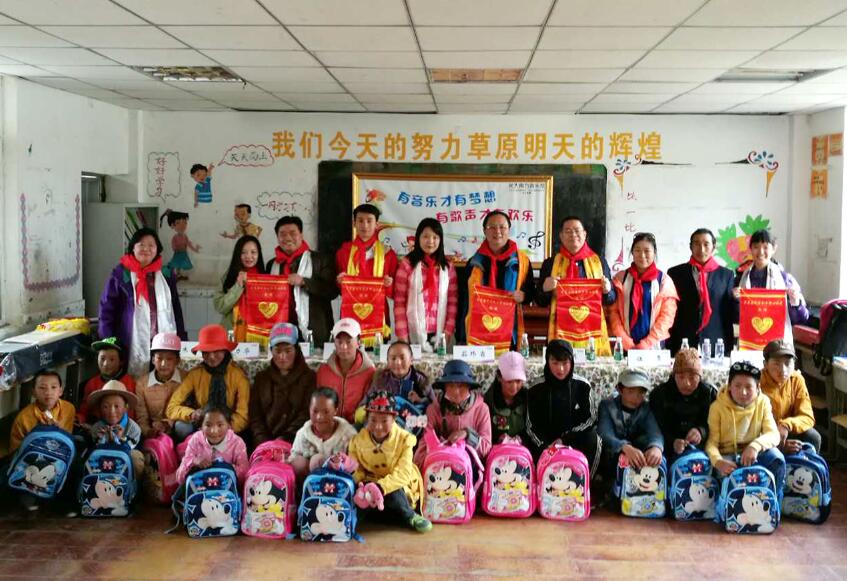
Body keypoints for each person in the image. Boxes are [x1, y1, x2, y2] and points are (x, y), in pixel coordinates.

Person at [98, 227, 187, 376]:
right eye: (141, 245)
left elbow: (175, 309)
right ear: (133, 247)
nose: (146, 249)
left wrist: (182, 337)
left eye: (151, 245)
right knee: (133, 382)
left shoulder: (165, 274)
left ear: (157, 249)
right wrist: (108, 342)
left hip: (162, 342)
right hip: (129, 342)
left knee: (162, 381)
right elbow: (107, 310)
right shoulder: (121, 274)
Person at [348, 390, 432, 533]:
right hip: (370, 487)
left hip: (397, 488)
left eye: (384, 421)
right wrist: (359, 484)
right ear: (367, 418)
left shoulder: (405, 439)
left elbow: (403, 473)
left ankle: (410, 516)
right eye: (373, 420)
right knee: (357, 492)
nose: (378, 426)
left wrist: (381, 487)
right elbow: (357, 469)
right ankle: (350, 521)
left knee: (394, 492)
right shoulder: (356, 441)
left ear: (393, 419)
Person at [537, 216, 616, 356]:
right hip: (560, 331)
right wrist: (545, 289)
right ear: (561, 236)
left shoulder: (599, 262)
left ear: (584, 234)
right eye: (567, 231)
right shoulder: (550, 264)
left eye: (577, 230)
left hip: (592, 332)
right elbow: (540, 301)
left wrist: (607, 290)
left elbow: (611, 299)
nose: (573, 234)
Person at [6, 370, 79, 513]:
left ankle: (62, 500)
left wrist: (56, 432)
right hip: (32, 462)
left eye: (53, 387)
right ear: (33, 392)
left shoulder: (68, 409)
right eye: (42, 388)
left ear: (61, 391)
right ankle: (29, 494)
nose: (48, 392)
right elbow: (15, 452)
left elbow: (66, 442)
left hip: (58, 458)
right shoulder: (24, 417)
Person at [526, 340, 602, 475]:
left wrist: (565, 439)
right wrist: (546, 447)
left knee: (594, 439)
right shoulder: (536, 388)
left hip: (573, 438)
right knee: (527, 442)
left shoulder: (582, 386)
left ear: (572, 362)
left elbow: (590, 419)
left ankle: (585, 481)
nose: (560, 369)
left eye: (565, 363)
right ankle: (542, 481)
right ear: (547, 361)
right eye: (555, 363)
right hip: (545, 442)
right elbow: (530, 425)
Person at [705, 361, 785, 487]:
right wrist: (718, 461)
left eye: (749, 387)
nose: (743, 392)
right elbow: (711, 443)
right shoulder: (717, 407)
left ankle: (774, 497)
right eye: (737, 386)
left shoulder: (763, 402)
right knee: (728, 478)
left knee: (776, 458)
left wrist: (755, 446)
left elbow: (773, 434)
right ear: (729, 386)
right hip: (727, 455)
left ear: (758, 388)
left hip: (753, 453)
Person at [465, 210, 535, 352]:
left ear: (509, 230)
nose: (497, 231)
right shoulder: (474, 263)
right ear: (484, 231)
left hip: (510, 333)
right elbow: (464, 301)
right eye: (492, 227)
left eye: (502, 227)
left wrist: (524, 296)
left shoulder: (522, 262)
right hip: (480, 332)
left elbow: (531, 291)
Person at [166, 324, 250, 441]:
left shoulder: (238, 376)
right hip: (201, 425)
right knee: (181, 427)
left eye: (216, 351)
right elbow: (171, 408)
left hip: (229, 427)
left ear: (225, 350)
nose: (211, 357)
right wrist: (192, 414)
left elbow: (243, 416)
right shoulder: (195, 374)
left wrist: (223, 429)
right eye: (206, 352)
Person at [266, 216, 338, 345]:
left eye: (292, 233)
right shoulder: (272, 264)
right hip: (281, 329)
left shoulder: (321, 259)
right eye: (282, 234)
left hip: (314, 330)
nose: (288, 238)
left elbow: (332, 291)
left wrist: (304, 282)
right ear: (277, 237)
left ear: (301, 235)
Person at [335, 203, 398, 346]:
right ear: (354, 223)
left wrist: (389, 284)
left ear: (377, 224)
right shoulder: (344, 252)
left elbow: (395, 292)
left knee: (378, 358)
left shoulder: (388, 254)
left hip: (379, 318)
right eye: (360, 220)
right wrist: (339, 282)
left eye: (369, 221)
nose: (365, 225)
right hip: (349, 316)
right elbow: (337, 290)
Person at [734, 229, 810, 344]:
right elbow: (737, 317)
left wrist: (795, 303)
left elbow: (801, 318)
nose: (760, 252)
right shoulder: (741, 278)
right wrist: (736, 300)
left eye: (765, 247)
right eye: (756, 247)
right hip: (750, 341)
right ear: (750, 249)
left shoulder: (785, 279)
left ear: (774, 249)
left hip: (778, 344)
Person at [668, 228, 736, 355]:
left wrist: (737, 300)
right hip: (683, 341)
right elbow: (670, 310)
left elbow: (729, 313)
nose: (701, 249)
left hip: (716, 342)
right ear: (691, 247)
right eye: (697, 244)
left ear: (713, 246)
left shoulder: (726, 275)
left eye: (706, 244)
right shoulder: (675, 273)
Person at [393, 218, 458, 351]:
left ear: (440, 240)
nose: (430, 241)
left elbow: (452, 302)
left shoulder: (447, 267)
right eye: (426, 236)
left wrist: (448, 331)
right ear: (418, 238)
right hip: (412, 333)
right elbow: (399, 302)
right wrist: (402, 335)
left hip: (440, 334)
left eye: (435, 237)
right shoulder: (407, 265)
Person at [608, 232, 679, 350]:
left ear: (654, 253)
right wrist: (624, 340)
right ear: (632, 252)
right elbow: (613, 311)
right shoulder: (620, 278)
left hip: (654, 346)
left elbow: (667, 316)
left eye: (647, 251)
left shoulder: (664, 281)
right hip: (624, 346)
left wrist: (648, 342)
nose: (642, 255)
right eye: (637, 250)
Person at [414, 360, 492, 465]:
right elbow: (424, 444)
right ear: (444, 387)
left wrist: (468, 435)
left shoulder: (482, 409)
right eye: (451, 385)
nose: (456, 391)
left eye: (461, 386)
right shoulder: (433, 409)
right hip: (440, 466)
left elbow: (486, 448)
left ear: (469, 386)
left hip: (471, 468)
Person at [250, 323, 316, 446]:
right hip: (263, 443)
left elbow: (306, 414)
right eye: (277, 351)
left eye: (288, 350)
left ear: (296, 350)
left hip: (296, 442)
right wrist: (263, 442)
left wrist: (285, 439)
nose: (282, 356)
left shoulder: (309, 377)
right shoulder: (262, 378)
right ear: (271, 351)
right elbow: (255, 416)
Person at [649, 349, 717, 459]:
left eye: (692, 378)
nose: (687, 383)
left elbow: (717, 424)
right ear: (674, 375)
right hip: (666, 450)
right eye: (681, 377)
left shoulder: (709, 394)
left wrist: (701, 431)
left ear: (699, 377)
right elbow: (653, 428)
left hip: (701, 451)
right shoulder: (659, 395)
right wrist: (672, 442)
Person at [598, 369, 664, 483]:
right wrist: (624, 447)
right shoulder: (607, 406)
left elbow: (654, 432)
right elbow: (604, 433)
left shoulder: (646, 408)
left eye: (641, 392)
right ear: (620, 389)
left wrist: (656, 447)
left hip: (638, 459)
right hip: (613, 456)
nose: (636, 396)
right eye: (631, 391)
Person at [760, 340, 821, 453]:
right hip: (763, 435)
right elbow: (750, 424)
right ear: (765, 364)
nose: (783, 370)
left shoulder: (796, 380)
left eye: (788, 363)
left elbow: (807, 417)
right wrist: (776, 442)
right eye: (776, 364)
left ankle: (808, 463)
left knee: (813, 437)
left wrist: (786, 425)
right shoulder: (756, 382)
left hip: (787, 431)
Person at [289, 388, 358, 482]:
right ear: (309, 409)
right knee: (298, 462)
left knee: (317, 460)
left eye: (326, 411)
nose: (319, 417)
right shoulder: (303, 434)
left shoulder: (348, 435)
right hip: (307, 484)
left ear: (335, 411)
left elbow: (355, 466)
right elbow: (294, 456)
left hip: (338, 484)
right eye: (315, 411)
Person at [316, 318, 376, 424]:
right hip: (328, 425)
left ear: (358, 342)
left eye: (349, 342)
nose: (343, 347)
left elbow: (368, 409)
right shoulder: (323, 371)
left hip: (357, 427)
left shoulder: (370, 372)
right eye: (339, 342)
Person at [176, 404, 249, 486]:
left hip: (226, 491)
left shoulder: (237, 443)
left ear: (229, 426)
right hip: (199, 490)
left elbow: (244, 476)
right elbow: (180, 479)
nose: (213, 431)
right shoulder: (195, 440)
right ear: (201, 427)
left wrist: (223, 467)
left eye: (220, 425)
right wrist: (194, 462)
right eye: (208, 425)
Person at [212, 235, 266, 341]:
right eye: (243, 252)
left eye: (253, 252)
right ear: (238, 254)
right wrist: (238, 285)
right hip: (231, 335)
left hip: (257, 335)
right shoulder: (229, 277)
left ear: (259, 254)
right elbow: (220, 307)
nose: (248, 256)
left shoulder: (265, 279)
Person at [87, 380, 145, 477]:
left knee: (136, 457)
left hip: (124, 469)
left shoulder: (134, 429)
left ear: (126, 407)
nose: (111, 411)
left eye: (117, 406)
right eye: (106, 407)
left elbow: (127, 450)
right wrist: (101, 440)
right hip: (101, 471)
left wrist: (121, 439)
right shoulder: (97, 428)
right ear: (100, 408)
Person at [77, 337, 137, 425]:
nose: (105, 364)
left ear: (121, 361)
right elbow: (84, 410)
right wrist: (79, 418)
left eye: (112, 359)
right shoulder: (92, 383)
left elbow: (132, 413)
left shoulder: (129, 383)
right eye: (102, 358)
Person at [134, 332, 182, 439]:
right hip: (154, 432)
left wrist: (167, 423)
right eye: (159, 358)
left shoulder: (186, 379)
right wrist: (148, 431)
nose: (163, 364)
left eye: (169, 359)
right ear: (153, 360)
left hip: (178, 429)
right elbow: (141, 416)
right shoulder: (142, 383)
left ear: (178, 360)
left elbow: (189, 408)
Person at [367, 341, 434, 404]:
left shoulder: (421, 380)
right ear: (388, 361)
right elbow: (366, 402)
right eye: (393, 358)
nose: (398, 362)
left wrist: (419, 400)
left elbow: (434, 405)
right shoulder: (380, 380)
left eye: (402, 358)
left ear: (411, 360)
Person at [485, 351, 530, 444]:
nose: (514, 386)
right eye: (509, 381)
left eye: (518, 381)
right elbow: (485, 430)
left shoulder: (527, 397)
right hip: (497, 448)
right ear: (499, 377)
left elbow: (533, 427)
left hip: (523, 448)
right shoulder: (489, 400)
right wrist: (498, 437)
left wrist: (522, 438)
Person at [160, 209, 200, 281]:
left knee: (180, 265)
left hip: (183, 253)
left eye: (185, 223)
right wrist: (175, 248)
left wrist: (195, 249)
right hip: (178, 253)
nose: (182, 226)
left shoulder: (185, 236)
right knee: (175, 264)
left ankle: (178, 274)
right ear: (173, 225)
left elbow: (188, 244)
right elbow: (173, 245)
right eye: (178, 223)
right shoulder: (175, 237)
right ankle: (173, 274)